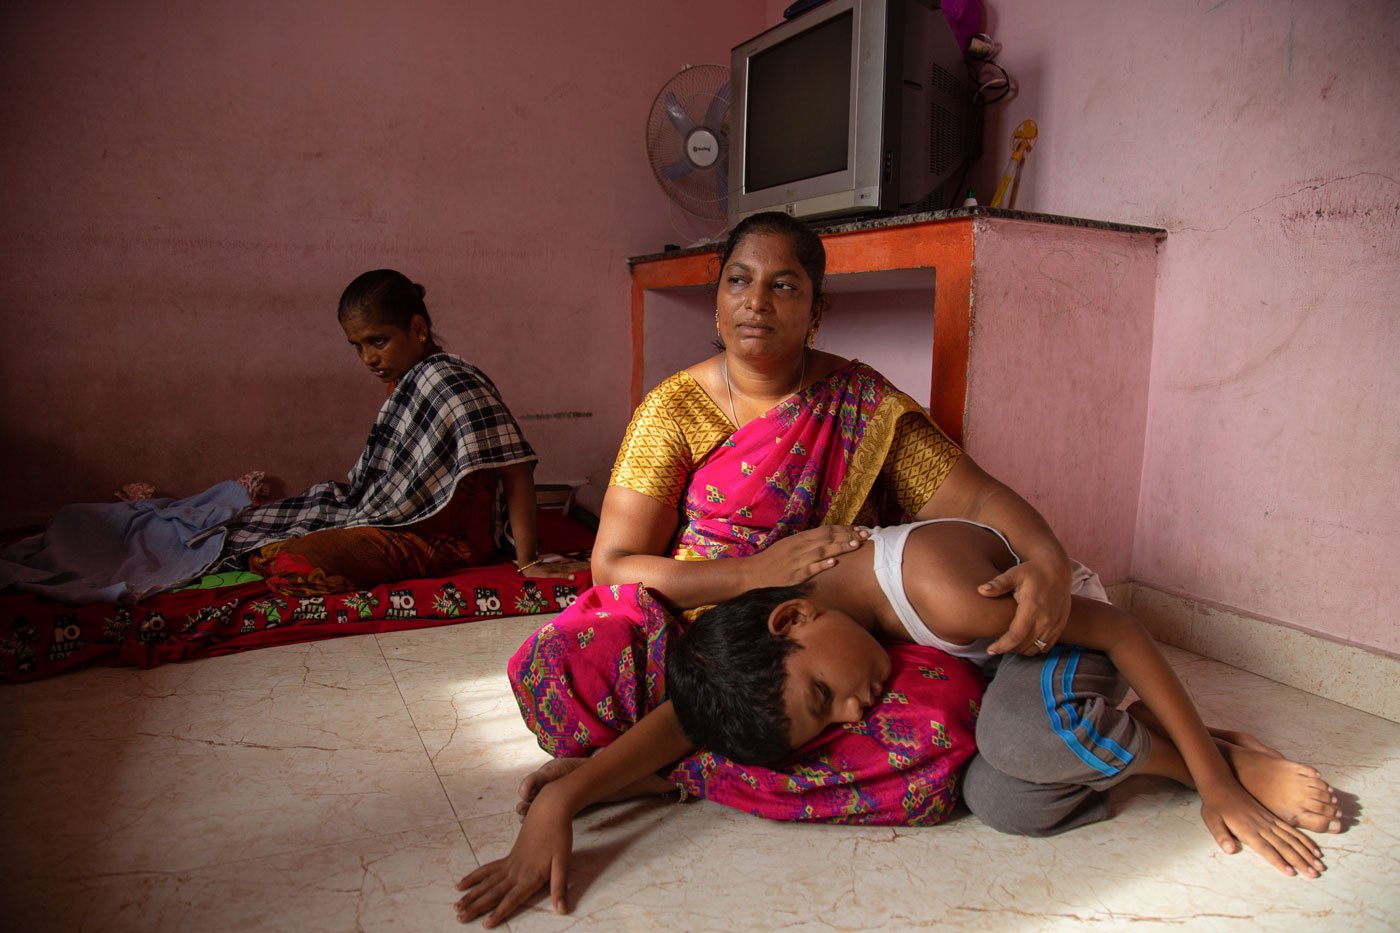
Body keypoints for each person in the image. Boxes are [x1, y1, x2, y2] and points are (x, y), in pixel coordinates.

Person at [454, 212, 1082, 925]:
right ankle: (675, 763)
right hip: (687, 632)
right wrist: (754, 573)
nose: (758, 300)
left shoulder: (862, 403)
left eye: (785, 285)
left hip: (814, 644)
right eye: (740, 281)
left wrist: (1048, 557)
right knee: (573, 659)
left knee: (937, 724)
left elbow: (980, 498)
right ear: (717, 300)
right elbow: (614, 566)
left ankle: (655, 769)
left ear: (817, 310)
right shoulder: (675, 408)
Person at [666, 518, 1341, 877]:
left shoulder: (944, 593)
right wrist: (590, 786)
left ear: (791, 619)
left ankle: (1215, 764)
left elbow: (1122, 630)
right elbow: (690, 720)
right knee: (1001, 800)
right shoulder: (815, 629)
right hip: (1013, 679)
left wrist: (1216, 786)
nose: (852, 711)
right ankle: (1138, 738)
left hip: (1071, 641)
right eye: (827, 719)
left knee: (1016, 737)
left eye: (823, 694)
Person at [220, 269, 578, 595]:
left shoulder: (451, 381)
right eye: (357, 346)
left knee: (296, 563)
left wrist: (528, 561)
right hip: (400, 523)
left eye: (378, 341)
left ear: (418, 330)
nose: (367, 358)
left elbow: (515, 467)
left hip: (445, 539)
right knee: (267, 526)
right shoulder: (406, 381)